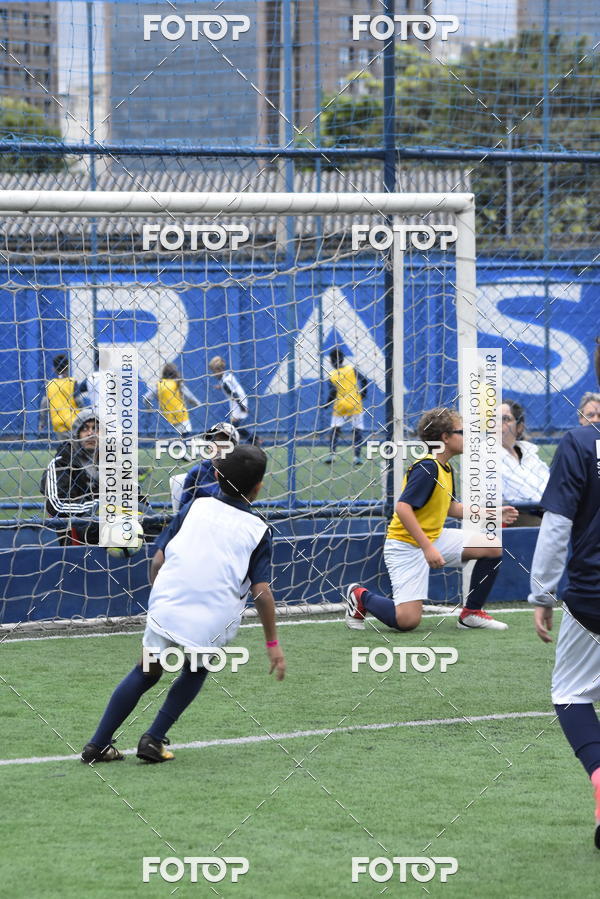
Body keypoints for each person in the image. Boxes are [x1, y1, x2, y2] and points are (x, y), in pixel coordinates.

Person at [81, 444, 285, 764]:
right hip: (212, 618)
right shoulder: (259, 530)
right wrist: (272, 642)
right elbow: (262, 592)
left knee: (146, 670)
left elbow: (158, 560)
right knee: (197, 666)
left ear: (216, 476)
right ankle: (154, 739)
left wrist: (160, 595)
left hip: (167, 602)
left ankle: (97, 744)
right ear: (259, 487)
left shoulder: (194, 506)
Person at [344, 407, 518, 632]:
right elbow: (403, 508)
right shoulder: (427, 467)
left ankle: (471, 614)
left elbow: (451, 508)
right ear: (445, 437)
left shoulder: (445, 467)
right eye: (462, 432)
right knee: (407, 622)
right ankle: (359, 596)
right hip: (406, 546)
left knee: (491, 546)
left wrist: (494, 513)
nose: (468, 437)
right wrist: (427, 548)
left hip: (432, 537)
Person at [529, 337, 600, 849]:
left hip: (592, 595)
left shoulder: (580, 443)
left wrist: (541, 595)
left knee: (570, 692)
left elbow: (556, 527)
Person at [40, 409, 100, 544]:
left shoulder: (114, 462)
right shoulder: (61, 463)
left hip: (118, 524)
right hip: (78, 536)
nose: (91, 433)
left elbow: (136, 496)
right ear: (76, 434)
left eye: (96, 429)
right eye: (85, 429)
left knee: (150, 525)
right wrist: (101, 507)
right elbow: (57, 506)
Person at [500, 401, 550, 524]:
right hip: (512, 516)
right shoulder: (484, 454)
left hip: (545, 511)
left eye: (505, 419)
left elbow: (549, 485)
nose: (497, 424)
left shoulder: (530, 453)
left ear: (519, 427)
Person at [324, 347, 369, 466]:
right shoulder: (351, 369)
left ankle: (332, 454)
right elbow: (364, 380)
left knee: (335, 430)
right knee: (357, 430)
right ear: (343, 359)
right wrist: (363, 394)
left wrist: (327, 404)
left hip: (340, 406)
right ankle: (356, 457)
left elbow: (333, 392)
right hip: (355, 403)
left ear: (331, 361)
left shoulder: (332, 374)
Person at [180, 421, 240, 505]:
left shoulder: (239, 473)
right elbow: (183, 507)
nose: (218, 449)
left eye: (225, 444)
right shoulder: (197, 472)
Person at [208, 355, 258, 444]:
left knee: (234, 426)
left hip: (237, 401)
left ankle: (253, 439)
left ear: (219, 370)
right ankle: (253, 439)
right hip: (237, 400)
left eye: (213, 372)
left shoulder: (225, 382)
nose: (213, 374)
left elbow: (234, 394)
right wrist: (221, 387)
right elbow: (231, 387)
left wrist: (242, 406)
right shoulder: (227, 375)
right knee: (235, 425)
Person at [143, 362, 201, 435]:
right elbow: (189, 396)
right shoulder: (177, 383)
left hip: (168, 416)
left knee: (177, 436)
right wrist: (197, 403)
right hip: (181, 414)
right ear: (175, 373)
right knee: (187, 436)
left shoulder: (159, 384)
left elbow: (146, 398)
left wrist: (149, 407)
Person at [38, 353, 81, 436]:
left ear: (53, 369)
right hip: (74, 422)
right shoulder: (72, 382)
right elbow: (79, 401)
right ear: (68, 367)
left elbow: (44, 405)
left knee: (63, 446)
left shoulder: (50, 384)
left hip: (58, 423)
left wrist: (42, 422)